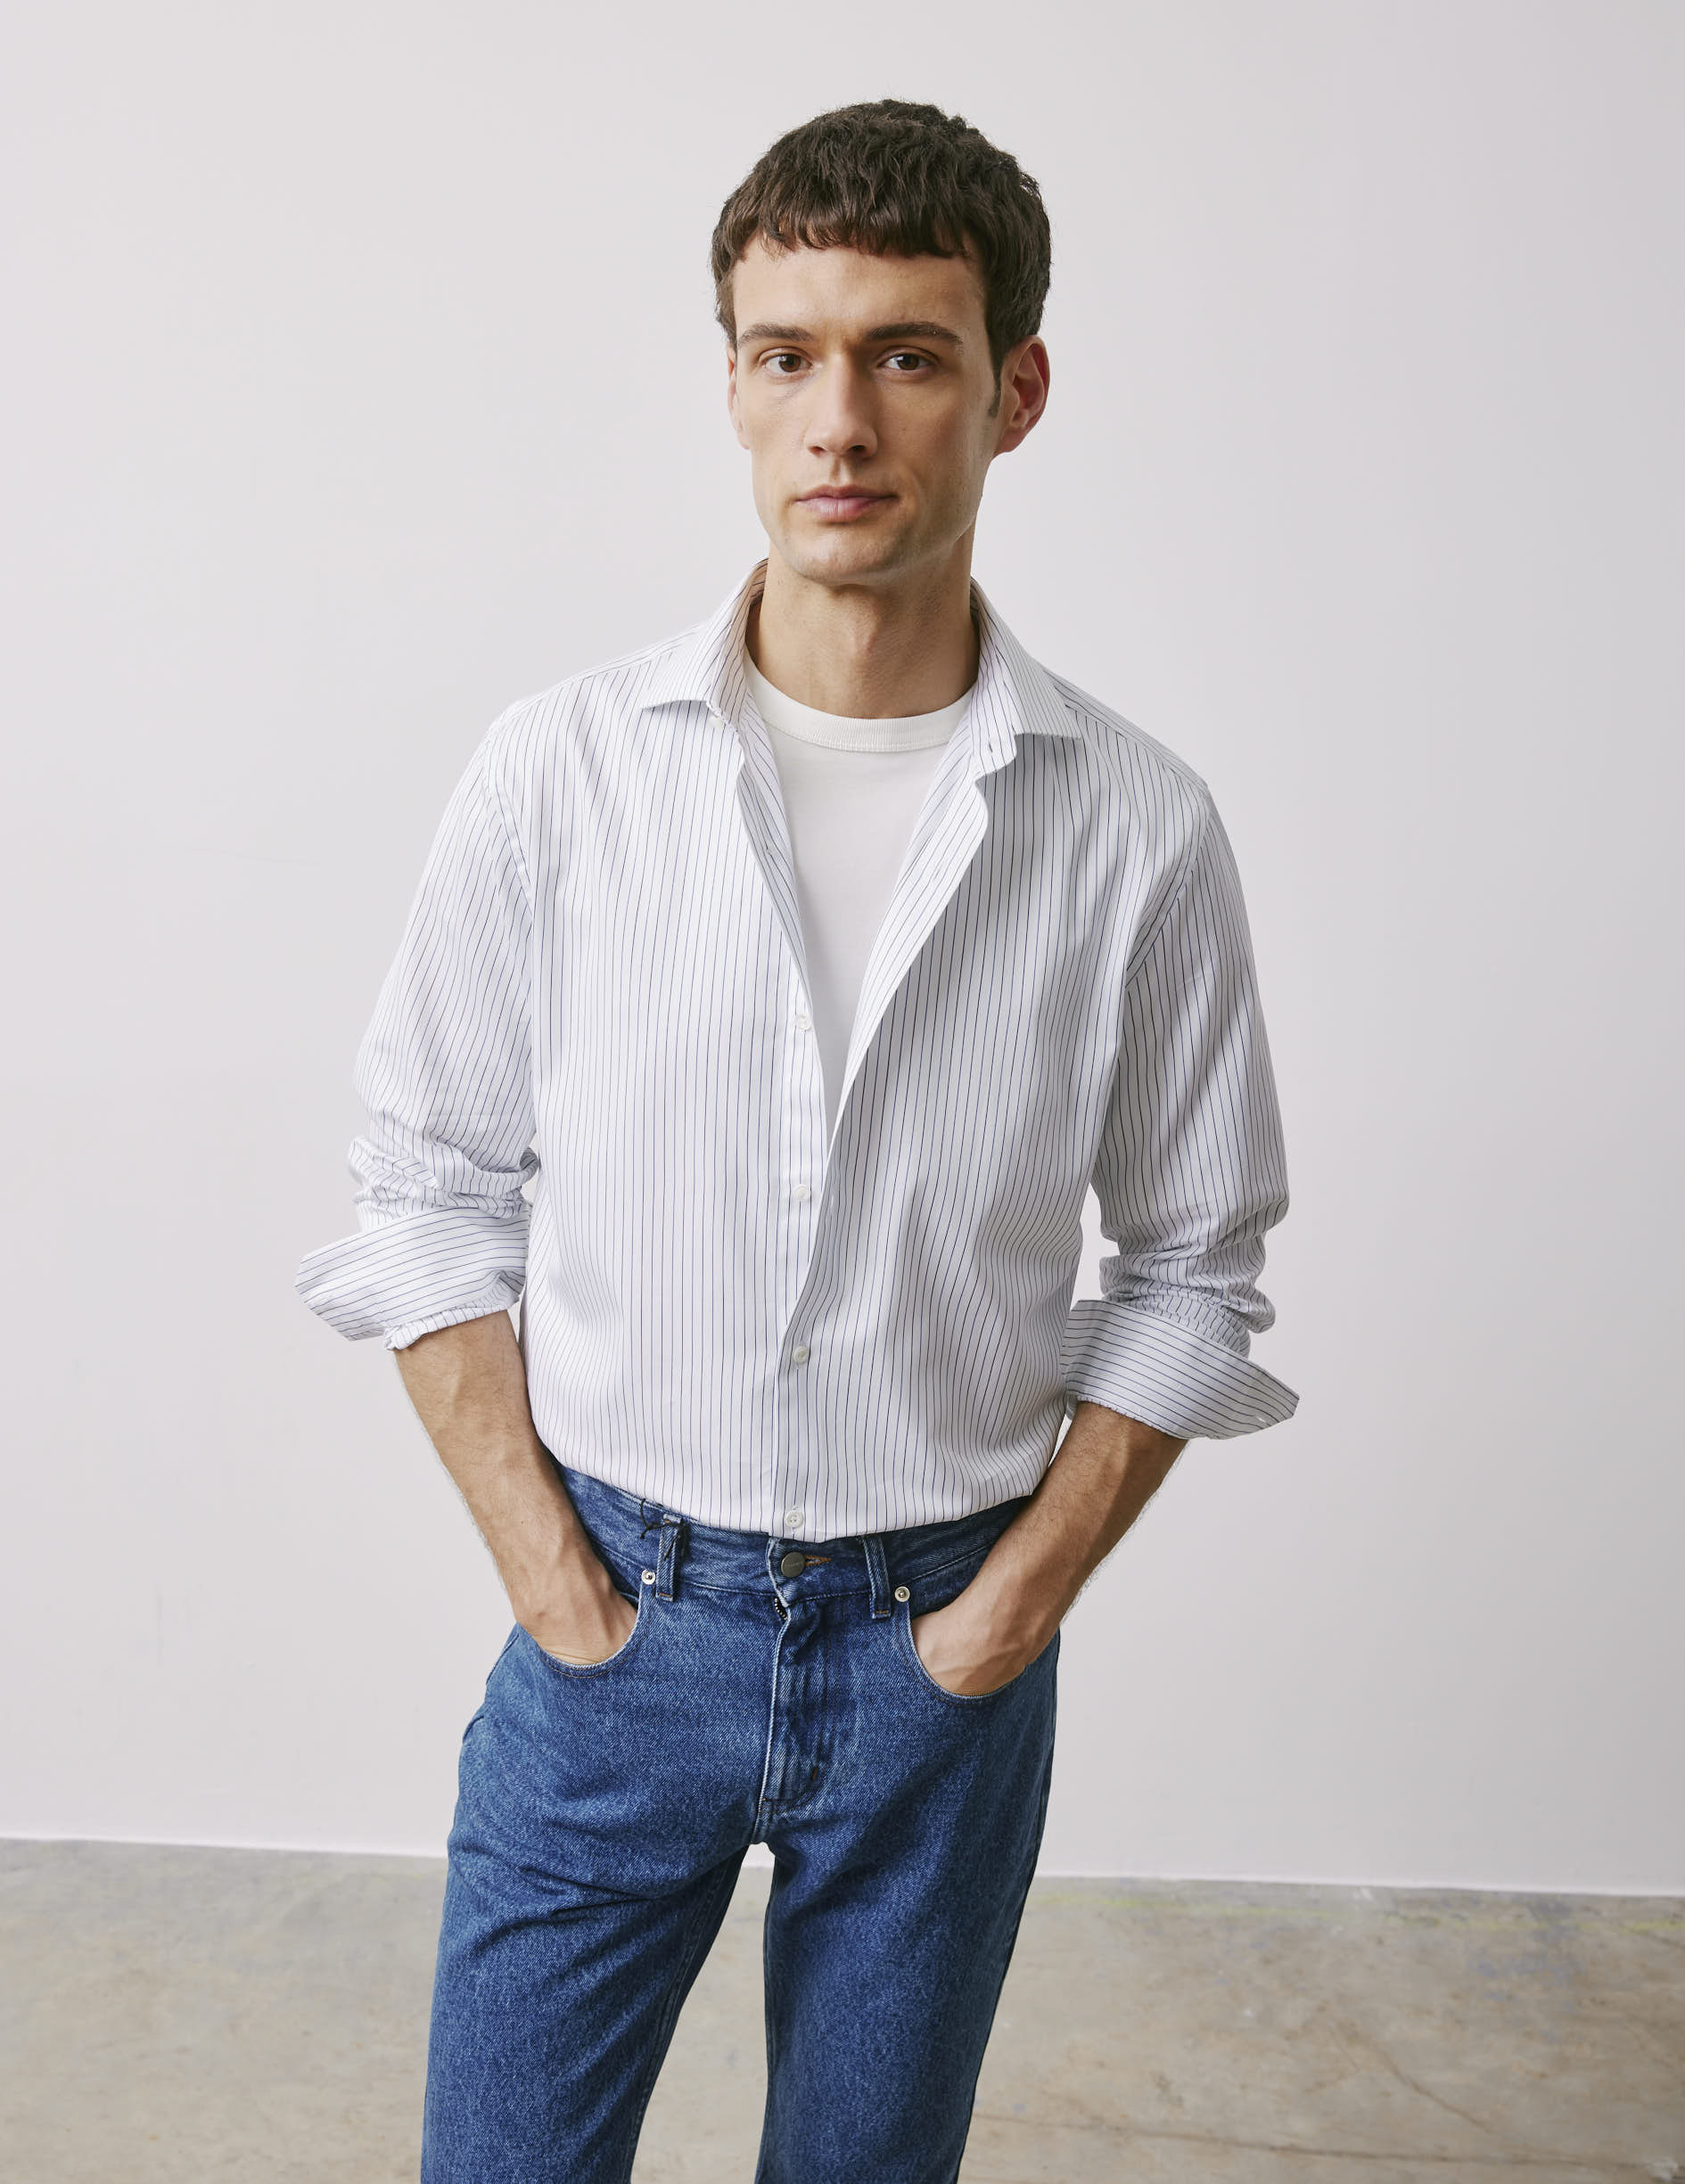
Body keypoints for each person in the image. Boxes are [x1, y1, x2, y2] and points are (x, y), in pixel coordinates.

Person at [294, 95, 1297, 2184]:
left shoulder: (1135, 827)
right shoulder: (565, 774)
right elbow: (423, 1185)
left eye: (908, 355)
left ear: (1014, 392)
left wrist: (999, 1620)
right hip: (617, 1622)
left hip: (939, 1654)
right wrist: (552, 1577)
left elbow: (1196, 1269)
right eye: (788, 354)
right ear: (735, 382)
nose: (840, 420)